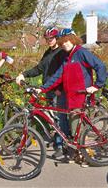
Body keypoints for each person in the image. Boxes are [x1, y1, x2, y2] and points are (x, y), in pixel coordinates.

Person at [36, 28, 107, 164]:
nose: (64, 44)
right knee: (72, 125)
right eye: (62, 42)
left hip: (80, 96)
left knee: (77, 127)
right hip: (70, 96)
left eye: (67, 41)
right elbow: (58, 76)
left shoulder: (81, 53)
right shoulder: (67, 56)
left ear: (73, 39)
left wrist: (97, 85)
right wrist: (42, 88)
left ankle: (87, 156)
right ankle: (78, 152)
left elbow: (100, 66)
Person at [16, 27, 69, 158]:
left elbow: (64, 72)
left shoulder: (62, 52)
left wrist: (60, 89)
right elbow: (39, 68)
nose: (49, 41)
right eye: (47, 39)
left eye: (51, 38)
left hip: (58, 91)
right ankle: (58, 138)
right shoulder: (47, 53)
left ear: (56, 38)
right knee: (52, 117)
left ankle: (61, 146)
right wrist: (24, 74)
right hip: (47, 89)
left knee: (58, 118)